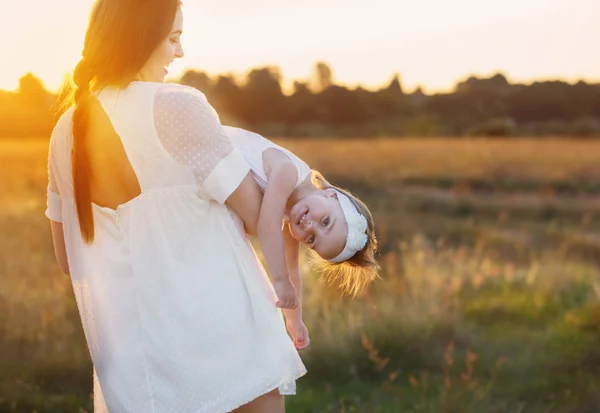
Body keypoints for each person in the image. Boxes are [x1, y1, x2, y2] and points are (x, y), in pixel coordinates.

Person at [45, 1, 305, 412]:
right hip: (225, 346)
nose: (179, 53)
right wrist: (286, 171)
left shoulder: (64, 132)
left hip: (135, 371)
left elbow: (67, 258)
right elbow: (259, 219)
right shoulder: (175, 107)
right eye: (173, 38)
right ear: (140, 39)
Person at [225, 127, 379, 318]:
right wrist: (279, 281)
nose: (310, 227)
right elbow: (267, 227)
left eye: (312, 240)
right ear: (332, 195)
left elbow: (292, 270)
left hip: (219, 170)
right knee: (258, 223)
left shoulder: (293, 212)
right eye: (325, 221)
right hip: (215, 147)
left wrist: (295, 322)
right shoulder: (288, 173)